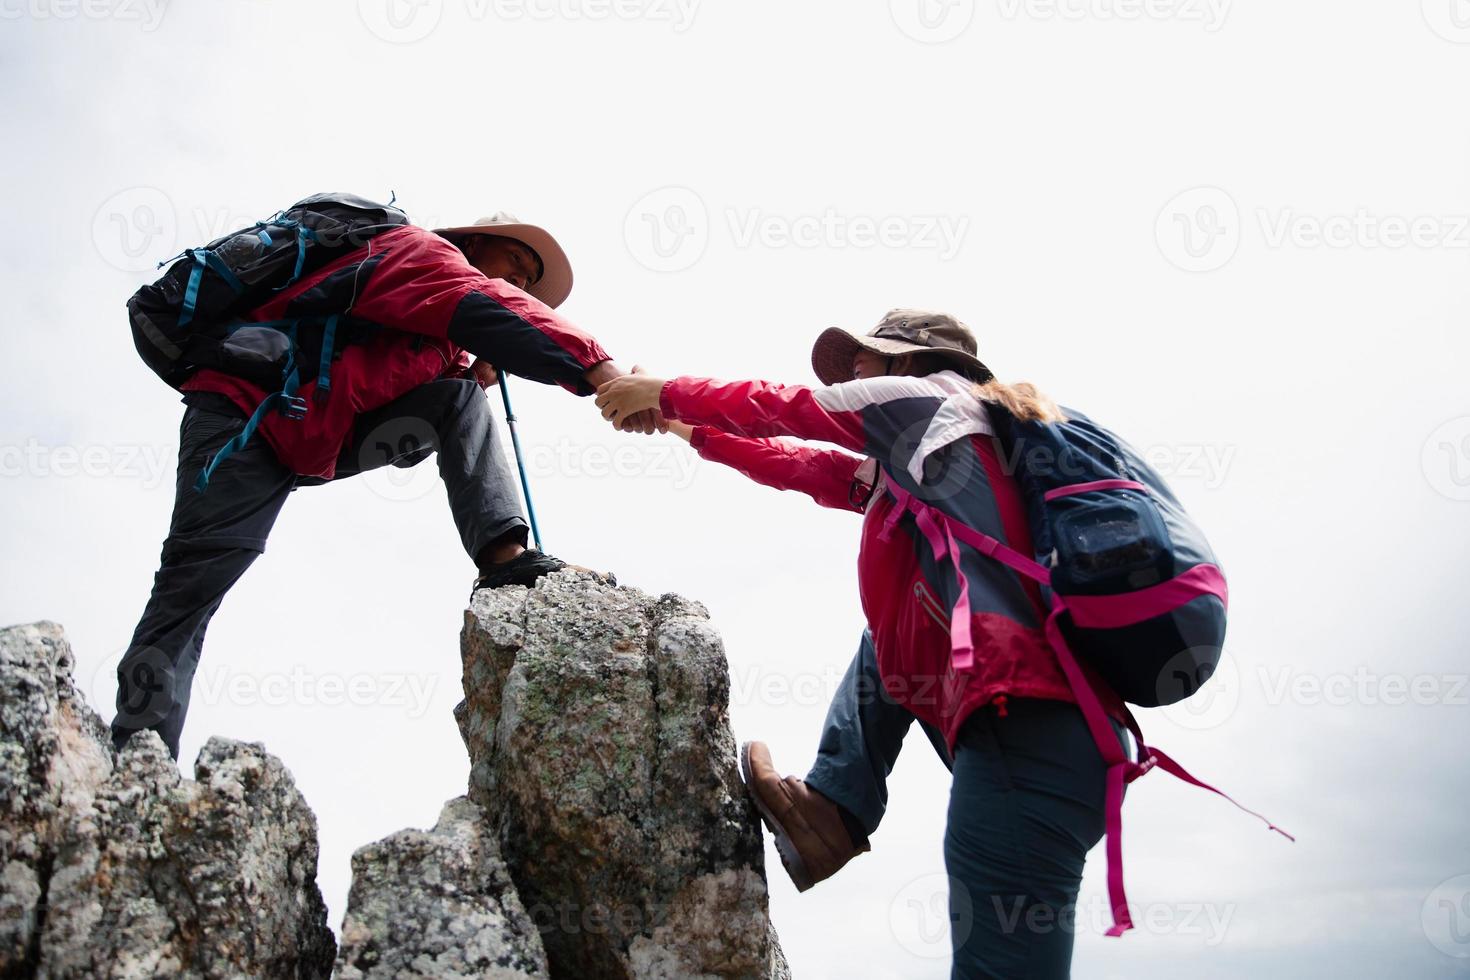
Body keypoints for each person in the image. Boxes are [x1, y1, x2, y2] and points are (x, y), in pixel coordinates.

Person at [596, 310, 1124, 978]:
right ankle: (834, 812)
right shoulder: (924, 463)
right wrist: (683, 427)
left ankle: (837, 809)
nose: (853, 372)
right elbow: (801, 465)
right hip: (1031, 727)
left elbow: (788, 409)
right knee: (887, 633)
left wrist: (663, 391)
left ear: (908, 362)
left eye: (865, 358)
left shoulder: (930, 404)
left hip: (1033, 730)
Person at [111, 211, 657, 761]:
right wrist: (601, 372)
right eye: (514, 263)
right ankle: (138, 752)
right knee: (193, 585)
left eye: (528, 279)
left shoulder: (440, 337)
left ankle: (503, 556)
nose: (520, 283)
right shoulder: (416, 252)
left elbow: (411, 444)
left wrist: (468, 377)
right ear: (470, 242)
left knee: (460, 401)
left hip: (316, 434)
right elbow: (492, 309)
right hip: (244, 417)